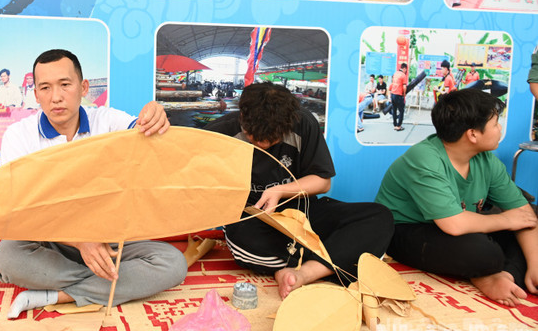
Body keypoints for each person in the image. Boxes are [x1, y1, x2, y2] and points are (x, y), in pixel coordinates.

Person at [0, 49, 186, 318]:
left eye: (65, 84)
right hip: (50, 239)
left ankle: (58, 295)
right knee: (7, 257)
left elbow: (145, 137)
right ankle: (106, 283)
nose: (56, 97)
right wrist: (80, 243)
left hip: (108, 239)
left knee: (173, 264)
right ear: (35, 94)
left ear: (83, 87)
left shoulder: (106, 121)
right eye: (45, 88)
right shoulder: (19, 135)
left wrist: (154, 115)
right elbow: (20, 207)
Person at [205, 83, 393, 299]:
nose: (261, 143)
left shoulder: (303, 122)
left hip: (302, 214)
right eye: (253, 137)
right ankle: (330, 259)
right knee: (241, 239)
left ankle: (304, 273)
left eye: (270, 139)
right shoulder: (219, 132)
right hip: (254, 220)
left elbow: (322, 182)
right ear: (242, 118)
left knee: (380, 217)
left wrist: (281, 190)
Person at [376, 89, 538, 307]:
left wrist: (535, 263)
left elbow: (524, 214)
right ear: (472, 134)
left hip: (462, 226)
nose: (500, 129)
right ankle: (486, 273)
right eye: (495, 124)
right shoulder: (425, 158)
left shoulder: (487, 160)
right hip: (408, 230)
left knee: (532, 218)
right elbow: (453, 224)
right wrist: (507, 220)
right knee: (484, 252)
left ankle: (505, 277)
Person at [390, 63, 408, 131]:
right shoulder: (403, 75)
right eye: (406, 70)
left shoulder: (395, 73)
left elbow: (392, 84)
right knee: (401, 111)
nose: (406, 71)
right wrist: (404, 94)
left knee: (394, 110)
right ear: (404, 68)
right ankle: (399, 126)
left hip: (393, 94)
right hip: (398, 95)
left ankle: (395, 125)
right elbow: (404, 87)